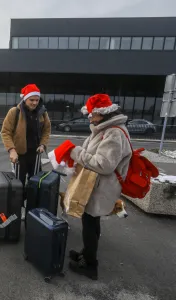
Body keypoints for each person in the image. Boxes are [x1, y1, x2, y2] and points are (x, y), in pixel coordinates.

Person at [61, 94, 133, 280]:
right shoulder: (105, 129)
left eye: (92, 114)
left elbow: (105, 164)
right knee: (91, 221)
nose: (89, 118)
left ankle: (90, 265)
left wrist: (75, 152)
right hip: (97, 184)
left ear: (102, 113)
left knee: (89, 223)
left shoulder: (114, 133)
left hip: (102, 186)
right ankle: (87, 253)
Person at [0, 84, 51, 219]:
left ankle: (32, 208)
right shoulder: (14, 112)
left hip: (35, 154)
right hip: (19, 155)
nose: (35, 103)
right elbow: (5, 132)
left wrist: (43, 145)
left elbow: (47, 130)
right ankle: (19, 208)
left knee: (35, 183)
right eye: (31, 100)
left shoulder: (43, 112)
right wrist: (11, 150)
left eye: (37, 100)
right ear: (25, 99)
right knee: (19, 184)